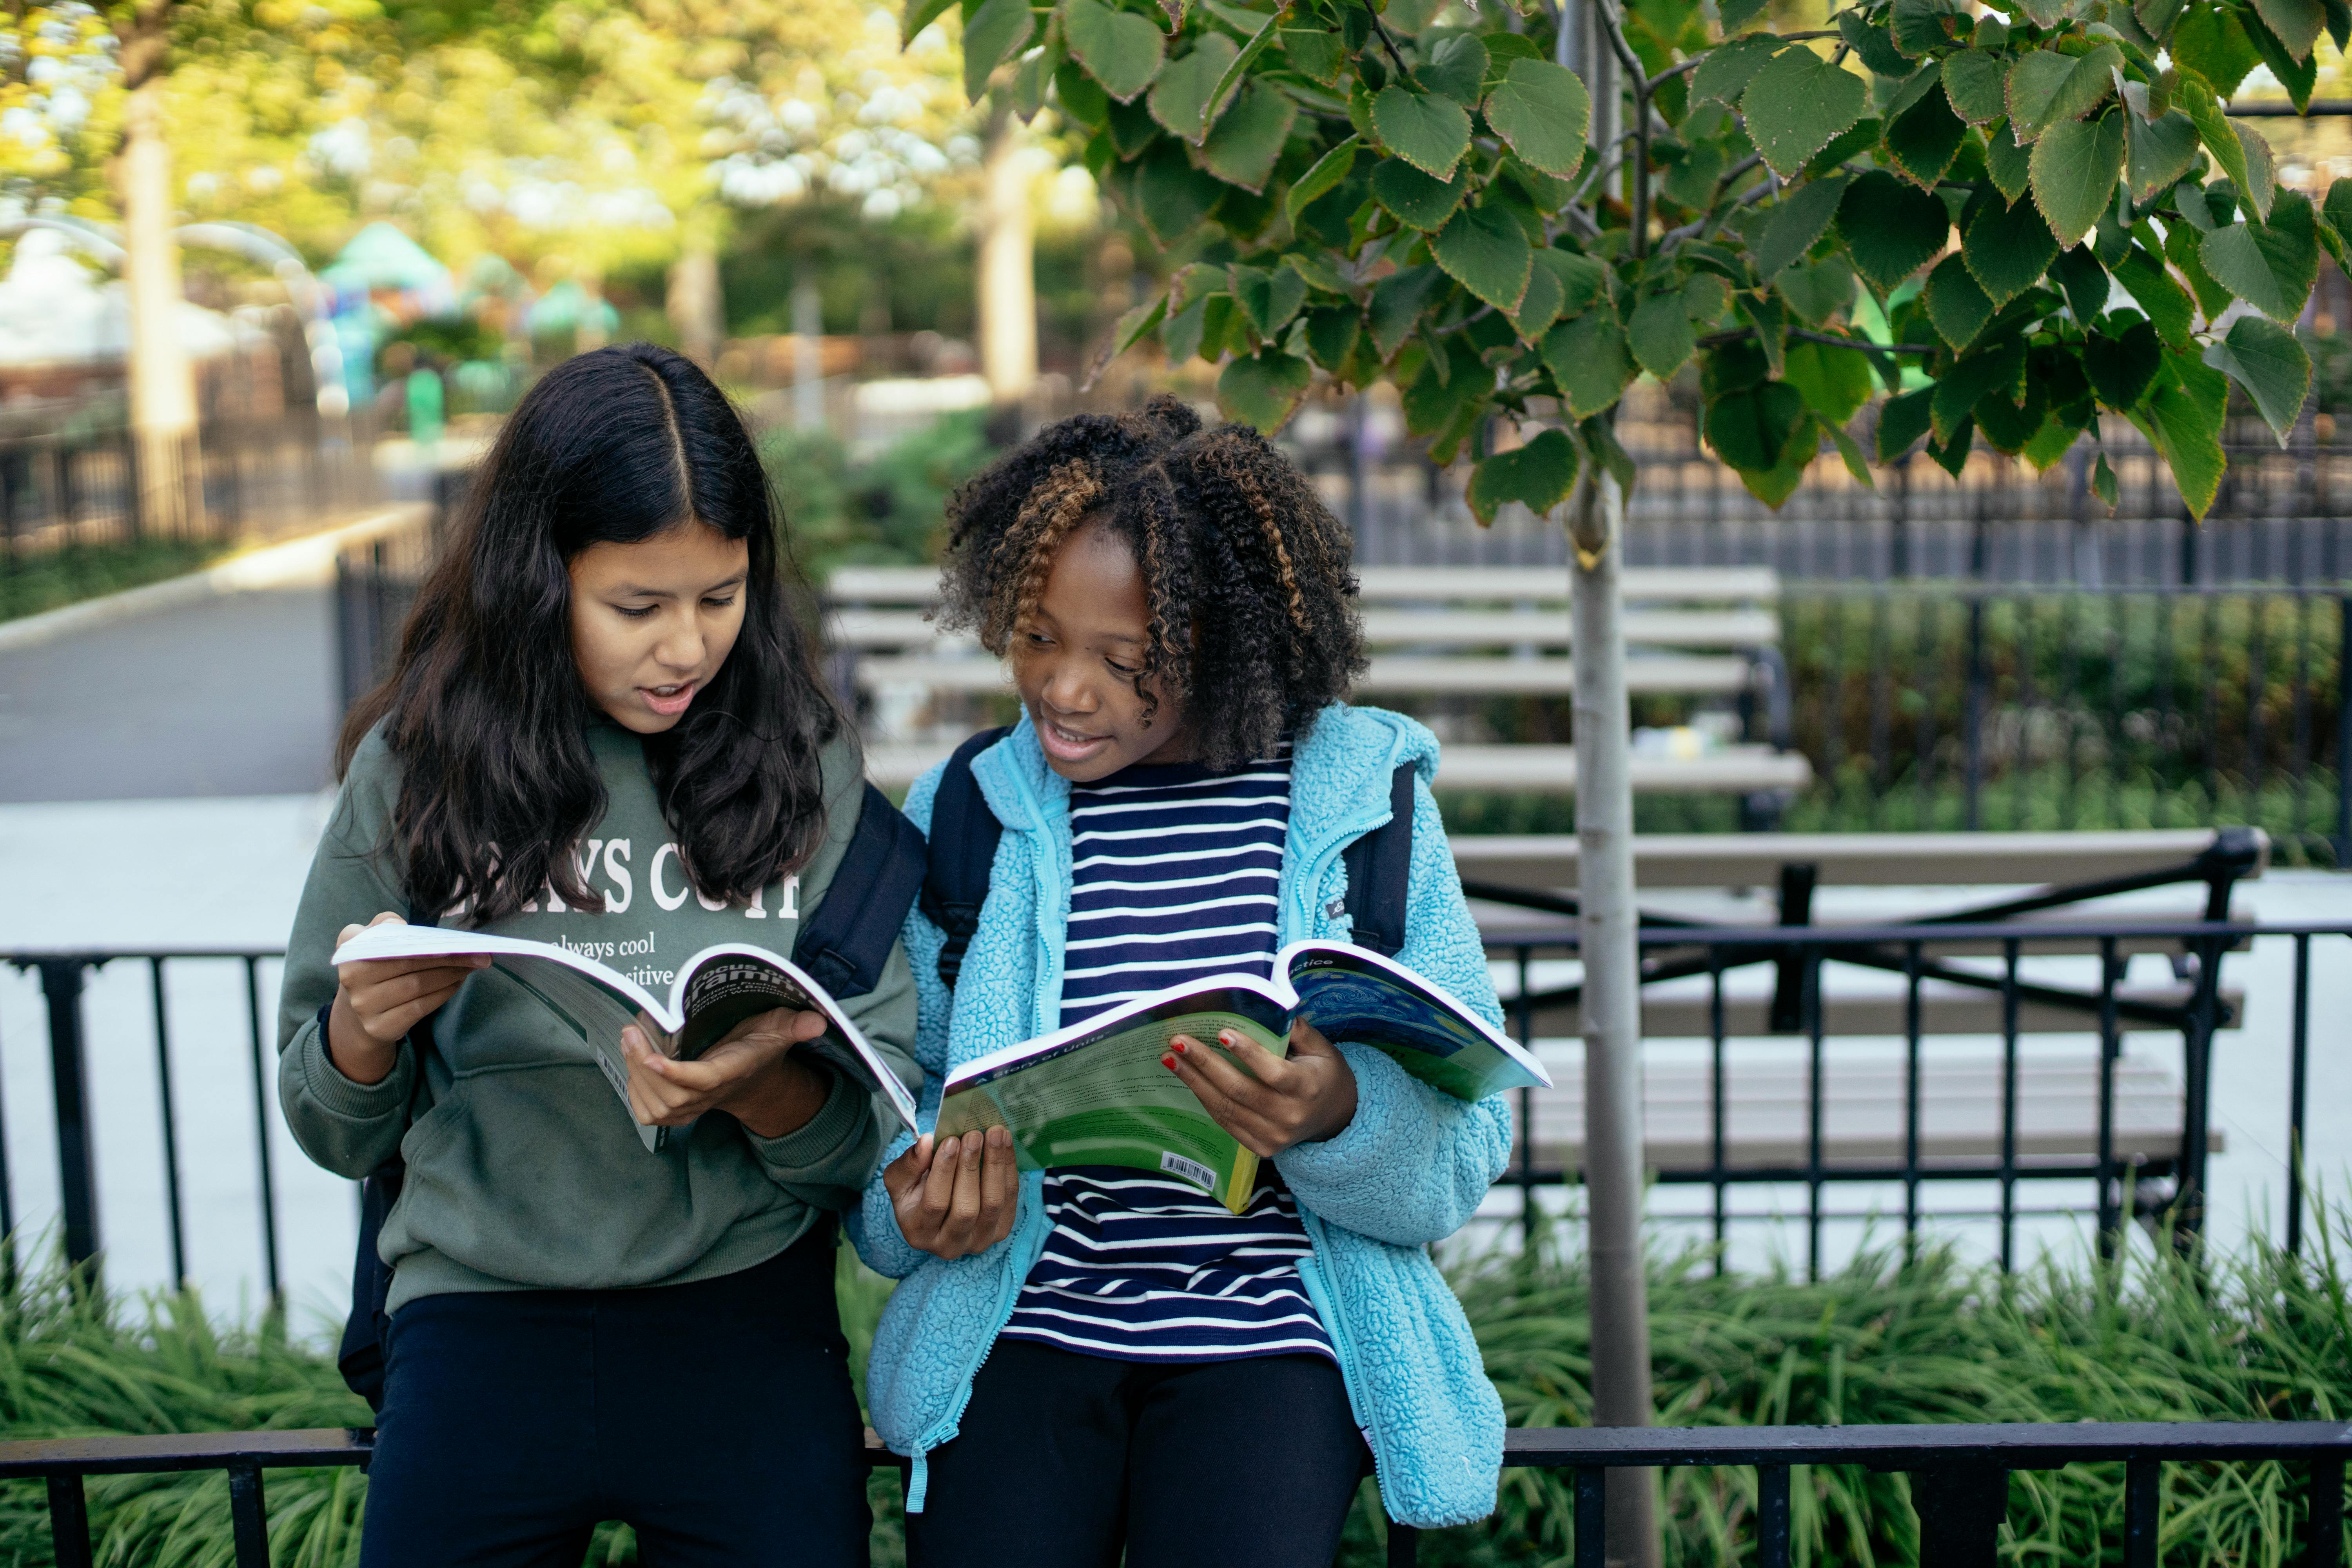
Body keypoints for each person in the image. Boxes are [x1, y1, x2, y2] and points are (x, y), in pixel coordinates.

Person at [275, 342, 917, 1568]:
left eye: (719, 598)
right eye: (637, 607)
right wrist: (364, 1032)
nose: (686, 649)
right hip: (479, 1319)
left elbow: (865, 1146)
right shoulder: (418, 768)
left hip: (743, 1322)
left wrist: (759, 1086)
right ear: (536, 578)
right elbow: (331, 1127)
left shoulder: (805, 765)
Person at [851, 396, 1511, 1568]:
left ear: (1227, 641)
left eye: (1125, 659)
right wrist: (913, 1200)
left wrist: (1337, 1115)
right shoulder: (968, 809)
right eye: (1038, 635)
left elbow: (1458, 1160)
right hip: (1026, 1328)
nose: (1064, 688)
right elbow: (898, 1091)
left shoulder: (1364, 802)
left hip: (1270, 1345)